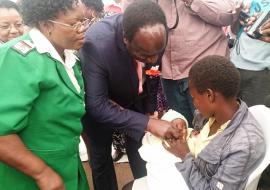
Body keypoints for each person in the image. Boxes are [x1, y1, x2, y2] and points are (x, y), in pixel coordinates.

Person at [79, 1, 184, 189]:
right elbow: (97, 105)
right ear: (125, 39)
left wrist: (151, 111)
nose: (152, 59)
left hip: (135, 100)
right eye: (144, 54)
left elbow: (153, 73)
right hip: (101, 106)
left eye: (157, 52)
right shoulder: (97, 45)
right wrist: (149, 123)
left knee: (141, 150)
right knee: (100, 158)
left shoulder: (155, 35)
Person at [124, 55, 266, 190]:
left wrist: (184, 155)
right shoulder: (216, 114)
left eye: (193, 98)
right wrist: (181, 122)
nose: (194, 104)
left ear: (209, 95)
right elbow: (198, 132)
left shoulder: (243, 146)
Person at [0, 0, 90, 189]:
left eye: (85, 21)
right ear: (46, 25)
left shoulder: (68, 58)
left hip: (66, 167)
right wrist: (42, 173)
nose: (83, 29)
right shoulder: (17, 59)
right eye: (75, 23)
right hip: (31, 177)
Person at [124, 0, 240, 127]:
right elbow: (130, 20)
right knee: (184, 131)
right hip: (169, 75)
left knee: (217, 133)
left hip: (207, 70)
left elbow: (228, 15)